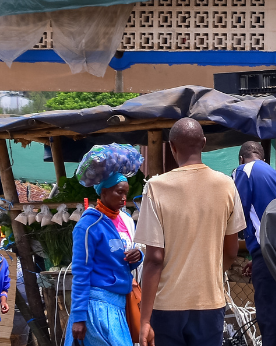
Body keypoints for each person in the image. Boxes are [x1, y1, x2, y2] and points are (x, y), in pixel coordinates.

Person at [138, 118, 247, 346]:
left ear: (172, 146)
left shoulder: (156, 187)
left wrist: (145, 320)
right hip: (209, 303)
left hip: (166, 306)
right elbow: (231, 249)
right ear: (204, 143)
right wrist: (209, 273)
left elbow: (154, 260)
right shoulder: (227, 185)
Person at [67, 157, 143, 346]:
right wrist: (78, 317)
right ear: (103, 191)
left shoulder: (125, 220)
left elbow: (121, 261)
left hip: (119, 304)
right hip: (98, 306)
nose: (124, 199)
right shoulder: (88, 225)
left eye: (126, 193)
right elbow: (80, 272)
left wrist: (137, 257)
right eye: (119, 193)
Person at [232, 141, 276, 346]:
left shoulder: (243, 171)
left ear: (241, 158)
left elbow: (236, 214)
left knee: (268, 318)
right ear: (264, 159)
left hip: (266, 255)